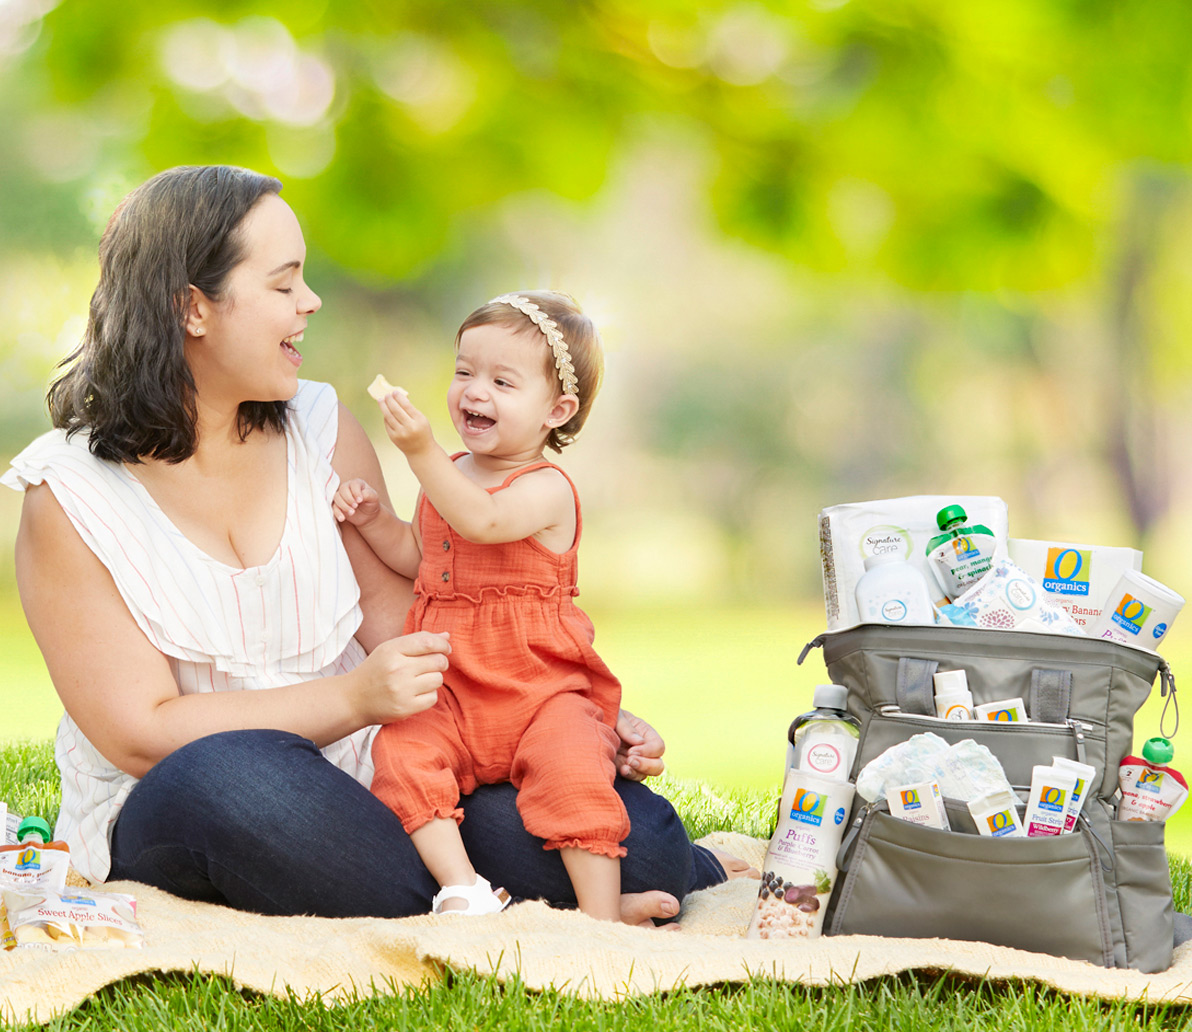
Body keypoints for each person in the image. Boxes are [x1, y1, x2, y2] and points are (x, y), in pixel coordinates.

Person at [1, 165, 742, 923]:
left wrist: (563, 707)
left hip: (372, 765)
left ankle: (445, 891)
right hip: (195, 792)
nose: (311, 302)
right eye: (284, 284)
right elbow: (141, 735)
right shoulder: (69, 495)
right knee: (239, 782)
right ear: (193, 308)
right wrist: (350, 697)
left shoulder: (317, 425)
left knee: (637, 844)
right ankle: (451, 887)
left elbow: (412, 624)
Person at [333, 292, 625, 918]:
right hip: (454, 686)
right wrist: (374, 519)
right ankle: (463, 887)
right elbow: (423, 557)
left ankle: (603, 919)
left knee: (574, 775)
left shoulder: (546, 489)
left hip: (539, 692)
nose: (473, 391)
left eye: (501, 380)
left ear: (558, 410)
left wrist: (419, 453)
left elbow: (485, 522)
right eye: (464, 371)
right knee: (401, 751)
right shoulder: (454, 471)